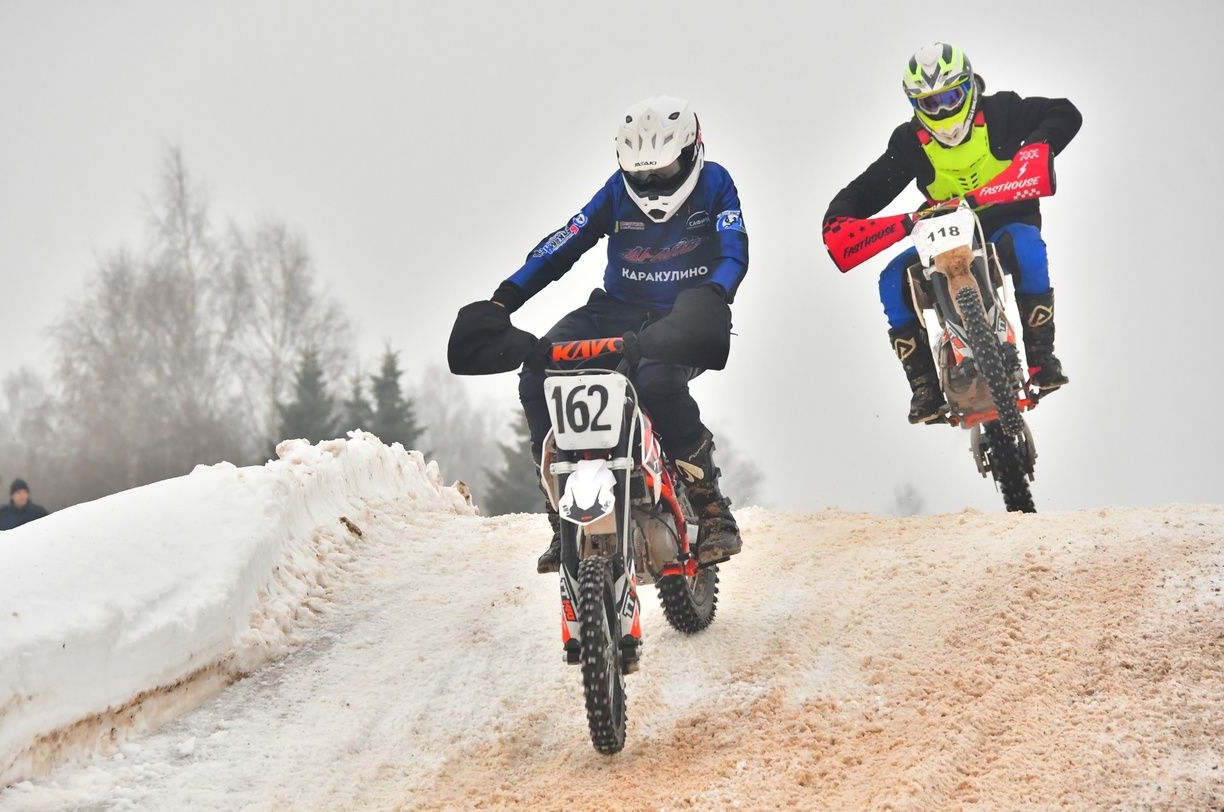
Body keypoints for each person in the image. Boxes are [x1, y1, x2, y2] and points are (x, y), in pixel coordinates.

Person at [449, 95, 749, 573]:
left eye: (664, 171)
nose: (651, 183)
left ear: (693, 153)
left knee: (655, 382)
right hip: (615, 310)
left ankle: (711, 505)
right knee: (537, 375)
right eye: (642, 173)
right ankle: (558, 513)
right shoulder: (615, 192)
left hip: (688, 313)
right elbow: (563, 244)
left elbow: (735, 249)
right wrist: (503, 300)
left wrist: (716, 293)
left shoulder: (716, 183)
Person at [822, 43, 1082, 423]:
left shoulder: (1003, 111)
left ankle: (1042, 358)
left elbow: (1064, 112)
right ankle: (924, 386)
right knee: (891, 279)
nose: (943, 111)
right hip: (943, 236)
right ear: (916, 106)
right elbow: (866, 189)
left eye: (951, 97)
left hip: (1005, 222)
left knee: (1027, 247)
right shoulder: (910, 142)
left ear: (969, 87)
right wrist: (840, 217)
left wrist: (1035, 148)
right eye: (931, 103)